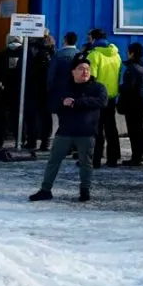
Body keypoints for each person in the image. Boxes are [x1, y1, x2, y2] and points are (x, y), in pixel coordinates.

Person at [29, 56, 107, 203]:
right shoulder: (63, 87)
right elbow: (51, 105)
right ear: (73, 71)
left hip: (86, 131)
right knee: (53, 161)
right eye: (81, 69)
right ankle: (45, 189)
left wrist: (78, 103)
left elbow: (102, 101)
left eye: (87, 69)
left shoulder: (97, 87)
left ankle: (85, 190)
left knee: (86, 162)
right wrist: (62, 103)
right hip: (65, 130)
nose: (85, 72)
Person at [83, 29, 123, 167]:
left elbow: (90, 78)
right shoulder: (116, 55)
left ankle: (96, 159)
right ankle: (113, 158)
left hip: (97, 98)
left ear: (94, 39)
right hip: (111, 96)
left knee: (97, 129)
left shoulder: (93, 55)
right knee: (111, 128)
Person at [118, 42, 143, 166]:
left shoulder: (132, 68)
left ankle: (136, 157)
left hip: (133, 102)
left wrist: (119, 88)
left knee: (134, 131)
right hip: (142, 100)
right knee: (141, 129)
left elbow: (129, 88)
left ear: (131, 53)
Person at [0, 35, 24, 150]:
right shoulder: (25, 54)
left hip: (3, 89)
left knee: (0, 117)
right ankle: (21, 139)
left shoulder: (2, 55)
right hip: (20, 90)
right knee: (18, 116)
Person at [24, 33, 56, 152]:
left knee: (32, 115)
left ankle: (31, 140)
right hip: (47, 89)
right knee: (46, 116)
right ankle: (45, 141)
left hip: (34, 87)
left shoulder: (33, 50)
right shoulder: (52, 52)